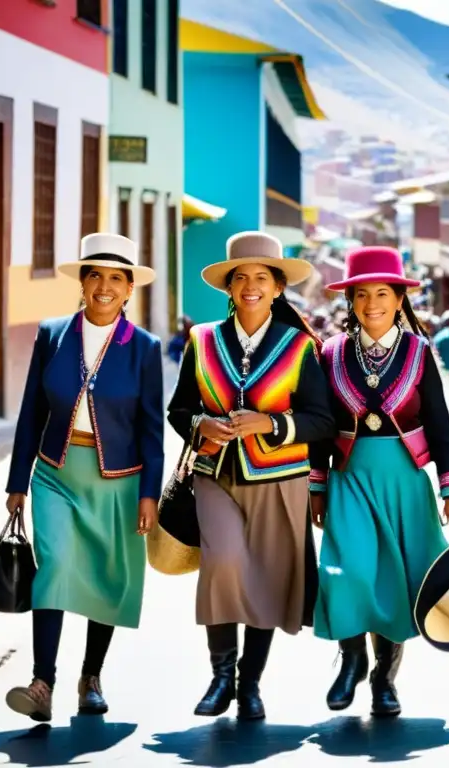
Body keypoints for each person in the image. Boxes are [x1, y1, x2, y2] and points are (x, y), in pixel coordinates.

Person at [167, 231, 335, 721]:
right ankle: (220, 676)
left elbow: (322, 422)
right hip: (214, 475)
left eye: (262, 277)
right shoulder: (201, 340)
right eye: (241, 278)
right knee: (225, 561)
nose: (251, 286)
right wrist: (202, 425)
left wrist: (273, 424)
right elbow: (179, 410)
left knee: (266, 577)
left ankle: (250, 684)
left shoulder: (301, 348)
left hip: (280, 478)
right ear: (228, 287)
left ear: (278, 287)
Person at [3, 234, 164, 722]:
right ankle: (41, 682)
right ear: (82, 282)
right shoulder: (52, 334)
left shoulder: (144, 348)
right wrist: (17, 482)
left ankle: (90, 676)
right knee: (52, 569)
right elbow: (31, 411)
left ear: (130, 289)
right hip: (56, 473)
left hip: (118, 478)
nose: (105, 286)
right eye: (95, 275)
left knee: (106, 577)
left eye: (117, 277)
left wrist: (149, 494)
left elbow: (152, 428)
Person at [309, 246, 449, 718]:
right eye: (361, 294)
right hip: (351, 479)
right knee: (348, 570)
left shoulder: (420, 353)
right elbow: (320, 425)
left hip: (405, 483)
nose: (372, 303)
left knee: (398, 583)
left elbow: (439, 425)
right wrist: (317, 485)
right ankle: (352, 657)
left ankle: (384, 679)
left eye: (382, 293)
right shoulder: (330, 353)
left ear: (400, 298)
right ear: (351, 301)